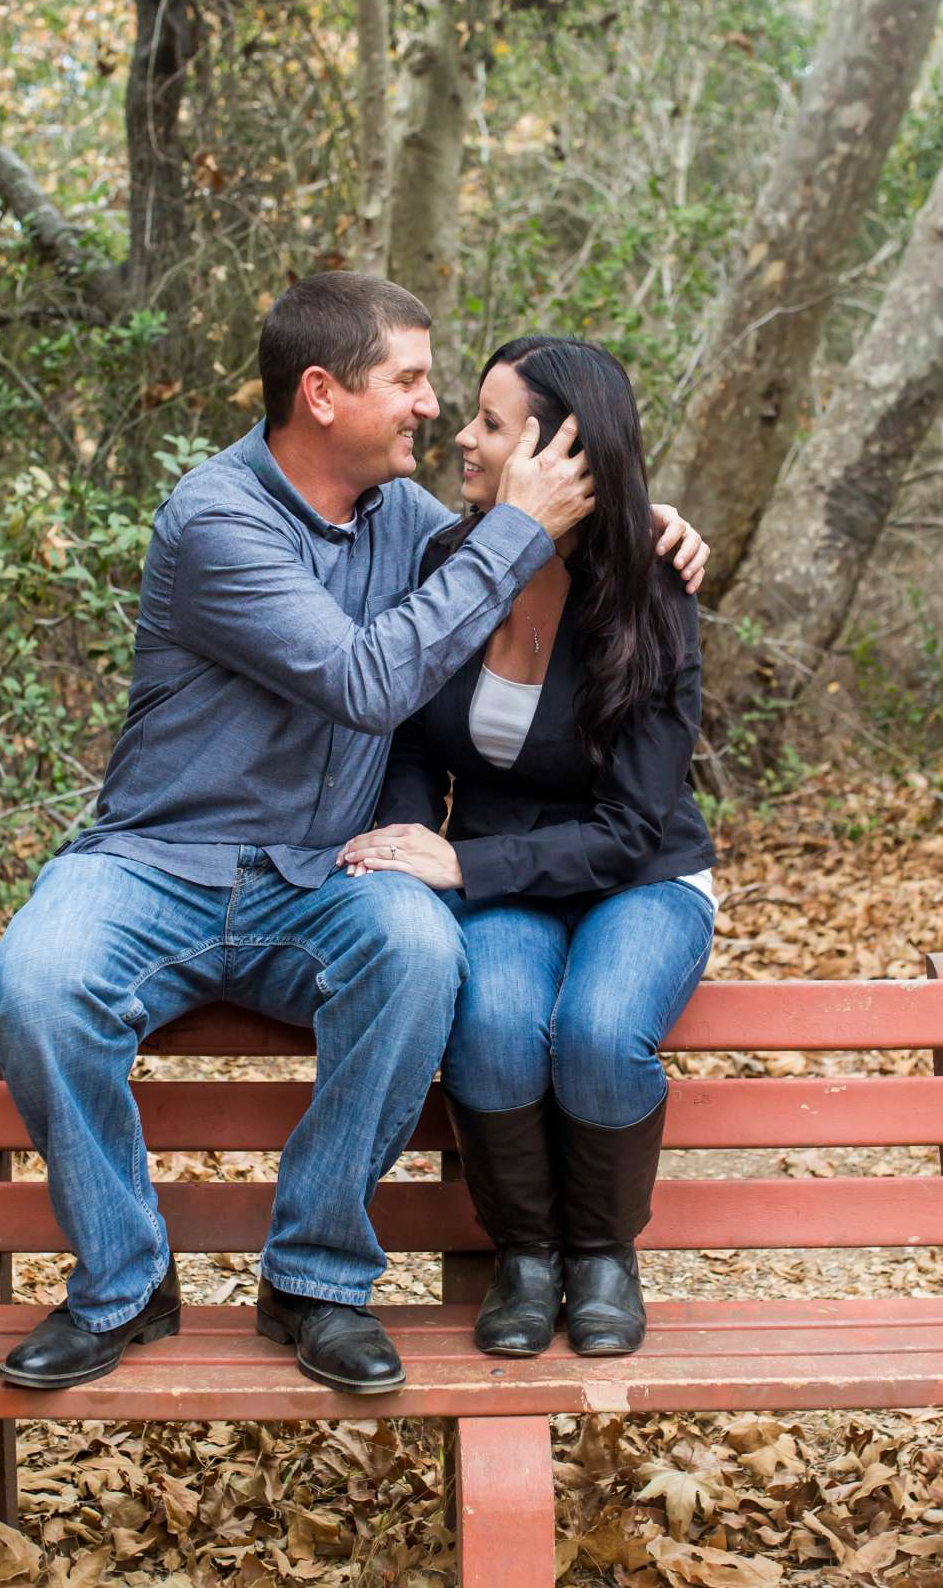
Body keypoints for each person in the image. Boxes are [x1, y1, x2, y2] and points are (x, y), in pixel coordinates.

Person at [0, 275, 708, 1395]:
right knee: (35, 982)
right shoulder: (217, 518)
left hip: (320, 874)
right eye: (409, 380)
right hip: (157, 862)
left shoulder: (407, 522)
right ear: (321, 394)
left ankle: (315, 1279)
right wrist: (515, 527)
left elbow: (517, 556)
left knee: (419, 953)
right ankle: (122, 1284)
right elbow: (371, 677)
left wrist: (643, 521)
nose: (432, 406)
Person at [336, 336, 716, 1359]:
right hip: (501, 871)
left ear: (562, 456)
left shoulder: (653, 589)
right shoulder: (451, 562)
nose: (461, 433)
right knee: (497, 1028)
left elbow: (636, 825)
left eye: (491, 424)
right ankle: (526, 1256)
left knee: (597, 1033)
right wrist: (406, 835)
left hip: (642, 877)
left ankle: (601, 1254)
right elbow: (413, 730)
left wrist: (466, 865)